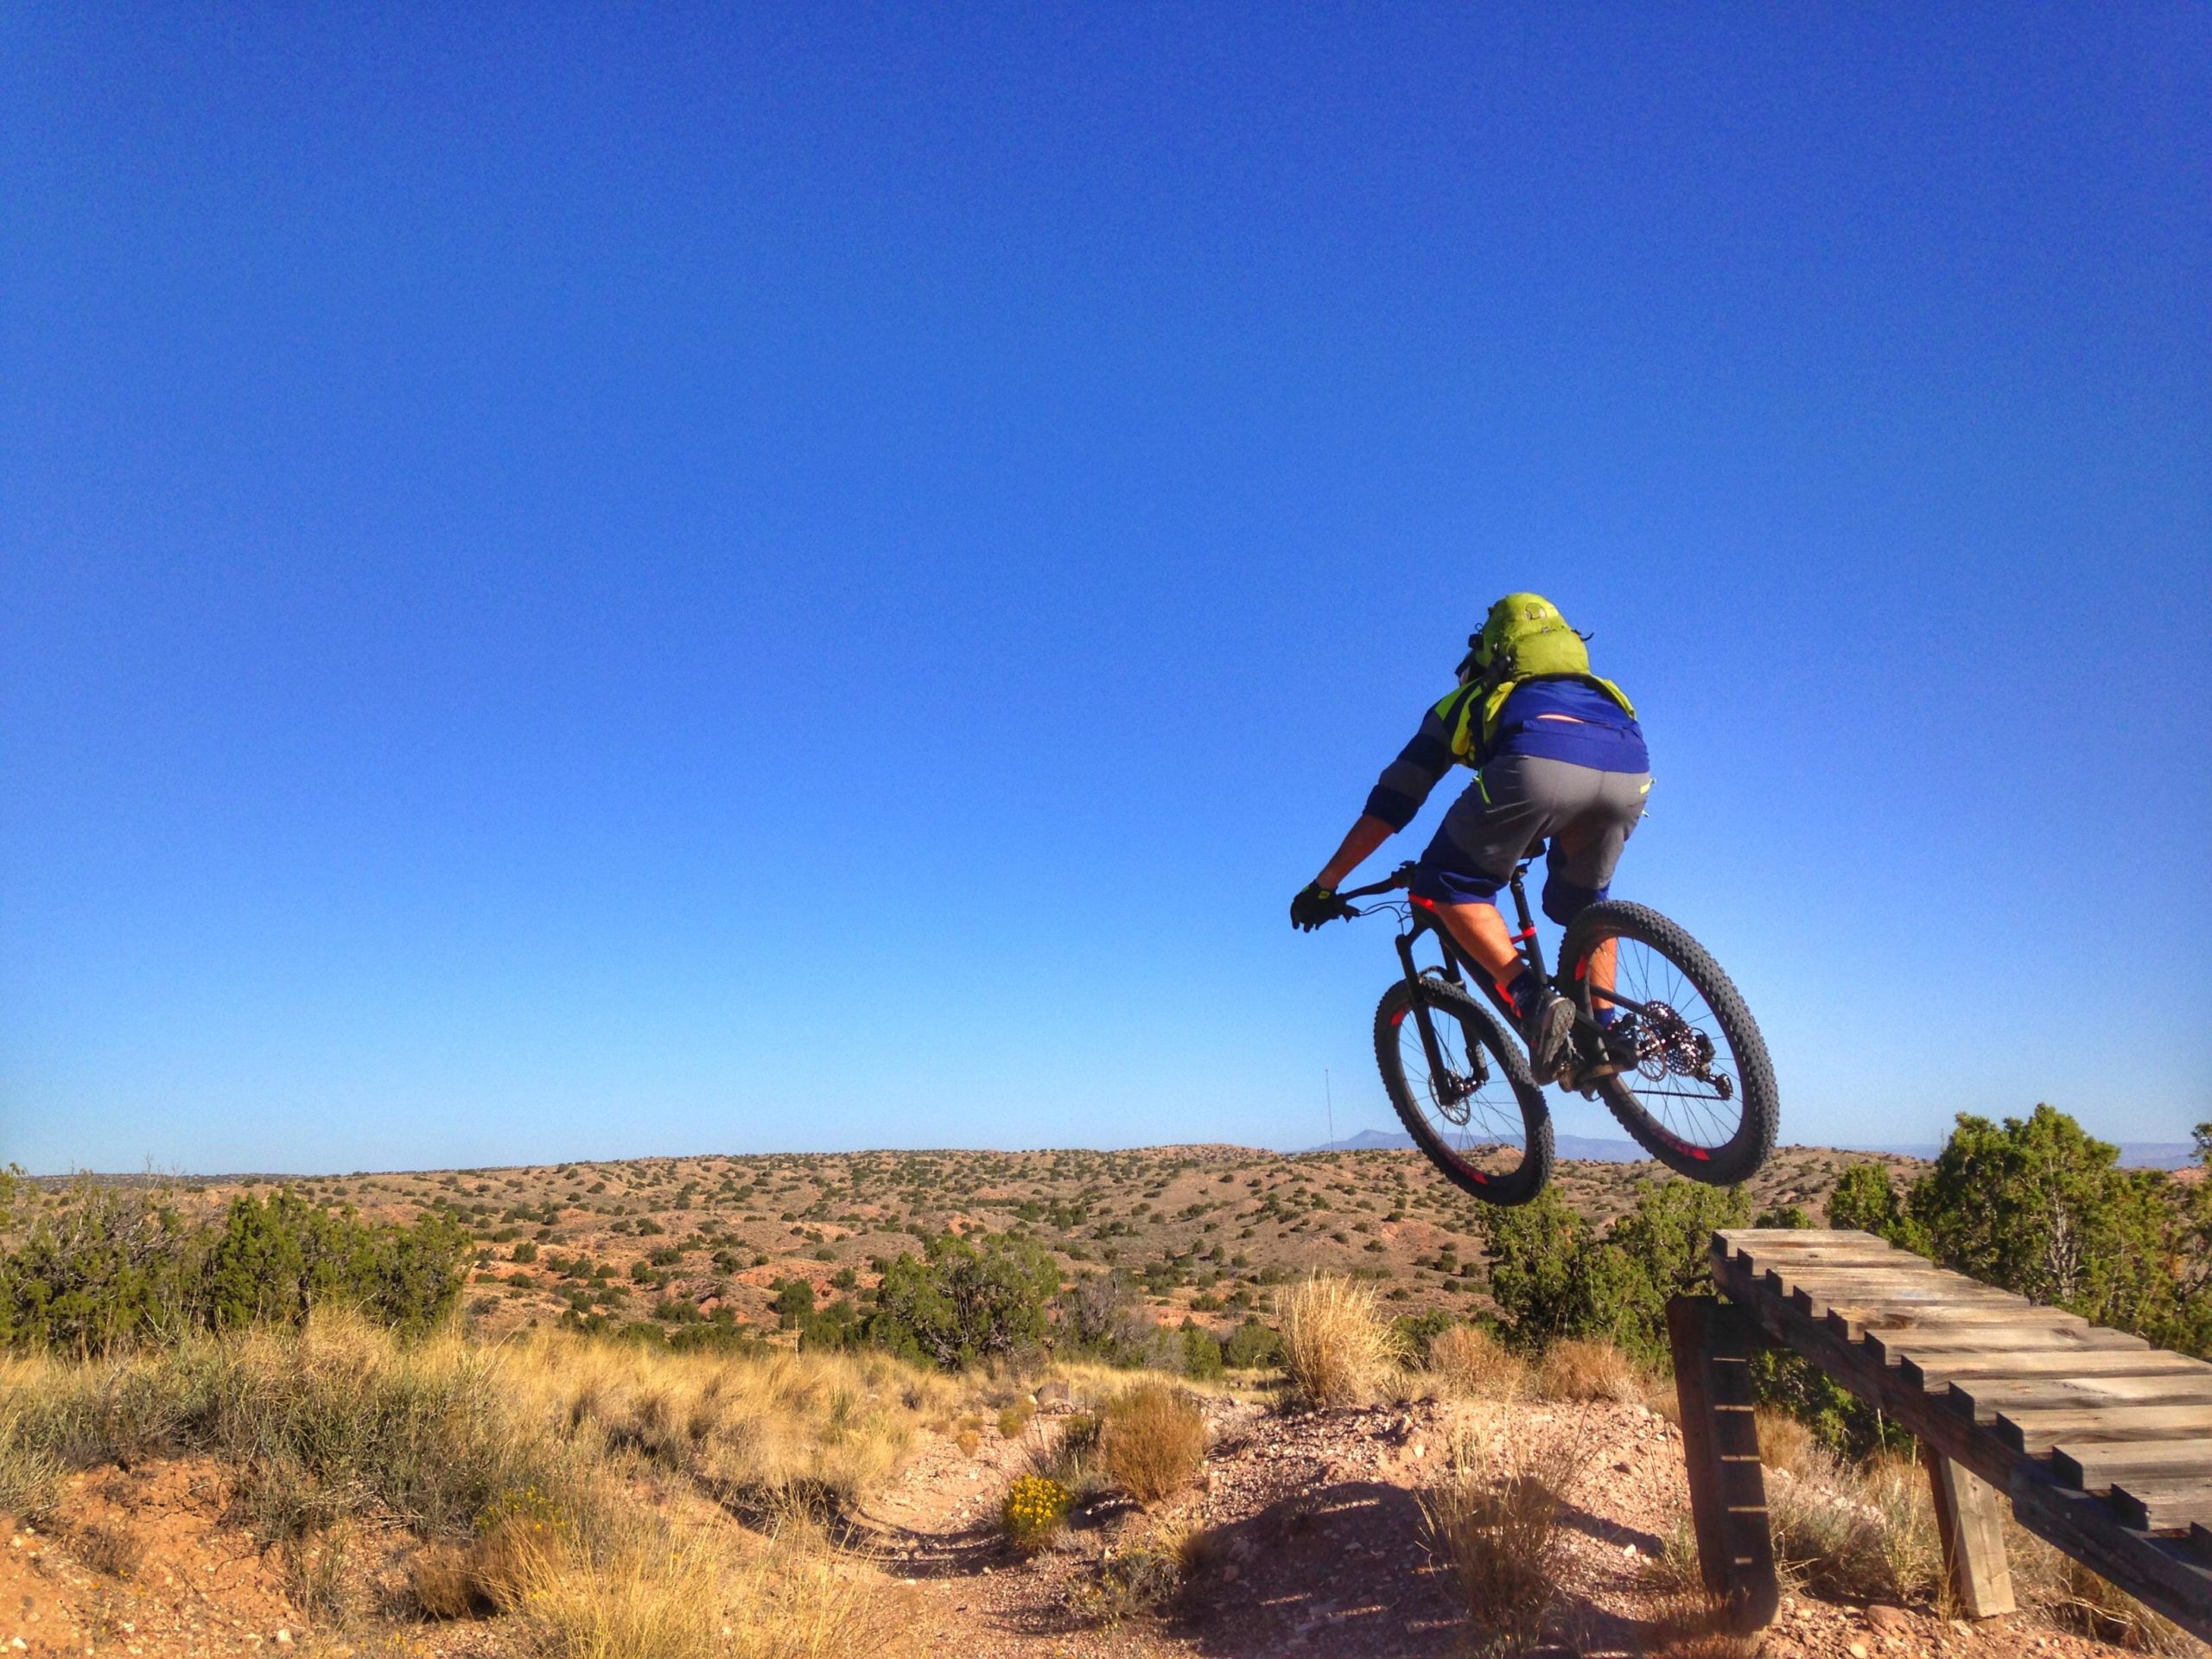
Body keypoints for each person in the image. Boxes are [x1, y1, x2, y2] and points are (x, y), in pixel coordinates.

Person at [1290, 593, 1651, 1083]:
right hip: (1631, 767)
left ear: (1488, 659)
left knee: (1445, 883)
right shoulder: (1596, 691)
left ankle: (1533, 1000)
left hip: (1538, 764)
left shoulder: (1469, 700)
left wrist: (1326, 884)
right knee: (1585, 908)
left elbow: (1393, 801)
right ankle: (1604, 1034)